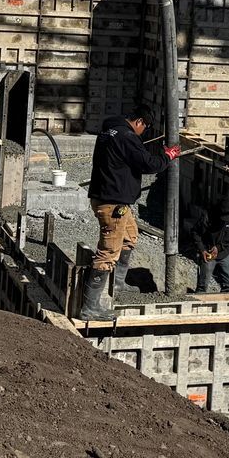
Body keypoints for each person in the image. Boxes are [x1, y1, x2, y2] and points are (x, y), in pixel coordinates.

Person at [82, 109, 179, 319]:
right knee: (108, 252)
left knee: (130, 237)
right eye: (144, 128)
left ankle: (117, 284)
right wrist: (167, 156)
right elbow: (149, 164)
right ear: (140, 121)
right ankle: (90, 307)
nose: (143, 133)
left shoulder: (109, 132)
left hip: (108, 198)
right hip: (112, 203)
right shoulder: (127, 137)